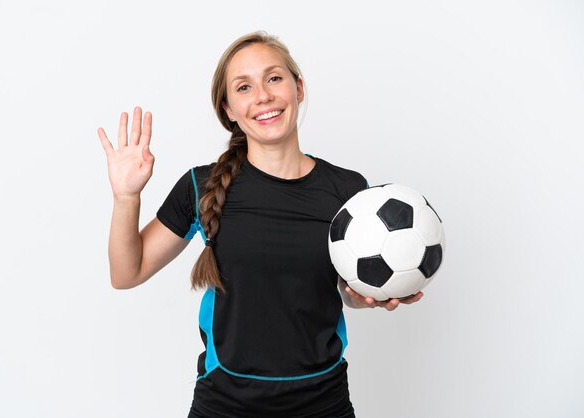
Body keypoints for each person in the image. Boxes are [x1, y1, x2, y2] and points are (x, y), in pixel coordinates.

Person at [98, 31, 422, 418]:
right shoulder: (201, 187)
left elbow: (344, 291)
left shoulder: (349, 190)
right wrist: (126, 198)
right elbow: (125, 273)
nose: (263, 96)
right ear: (229, 109)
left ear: (298, 88)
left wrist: (370, 294)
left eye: (274, 78)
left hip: (323, 403)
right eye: (244, 87)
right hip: (224, 405)